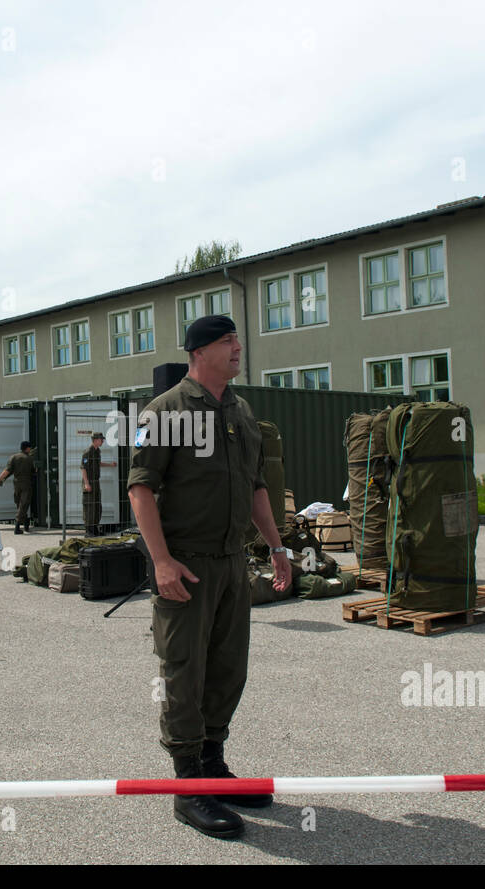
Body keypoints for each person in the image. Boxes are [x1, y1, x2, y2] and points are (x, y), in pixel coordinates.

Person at [127, 314, 291, 840]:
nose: (239, 348)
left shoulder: (241, 413)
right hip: (187, 566)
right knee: (183, 673)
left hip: (231, 564)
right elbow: (141, 489)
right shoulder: (166, 412)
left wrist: (276, 547)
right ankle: (188, 786)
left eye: (238, 339)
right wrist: (161, 561)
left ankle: (214, 764)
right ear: (200, 352)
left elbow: (257, 488)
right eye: (228, 341)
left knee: (227, 670)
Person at [0, 440, 36, 534]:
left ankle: (26, 523)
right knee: (23, 505)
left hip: (16, 484)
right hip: (26, 484)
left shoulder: (13, 457)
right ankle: (17, 527)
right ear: (28, 448)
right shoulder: (29, 459)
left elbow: (8, 471)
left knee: (19, 504)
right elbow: (33, 472)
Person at [81, 431, 104, 537]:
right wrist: (86, 484)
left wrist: (110, 465)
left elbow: (98, 463)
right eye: (101, 439)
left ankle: (95, 528)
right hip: (89, 481)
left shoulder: (97, 451)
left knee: (97, 506)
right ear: (95, 440)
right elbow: (83, 468)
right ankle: (88, 530)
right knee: (89, 506)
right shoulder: (87, 452)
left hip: (96, 482)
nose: (102, 441)